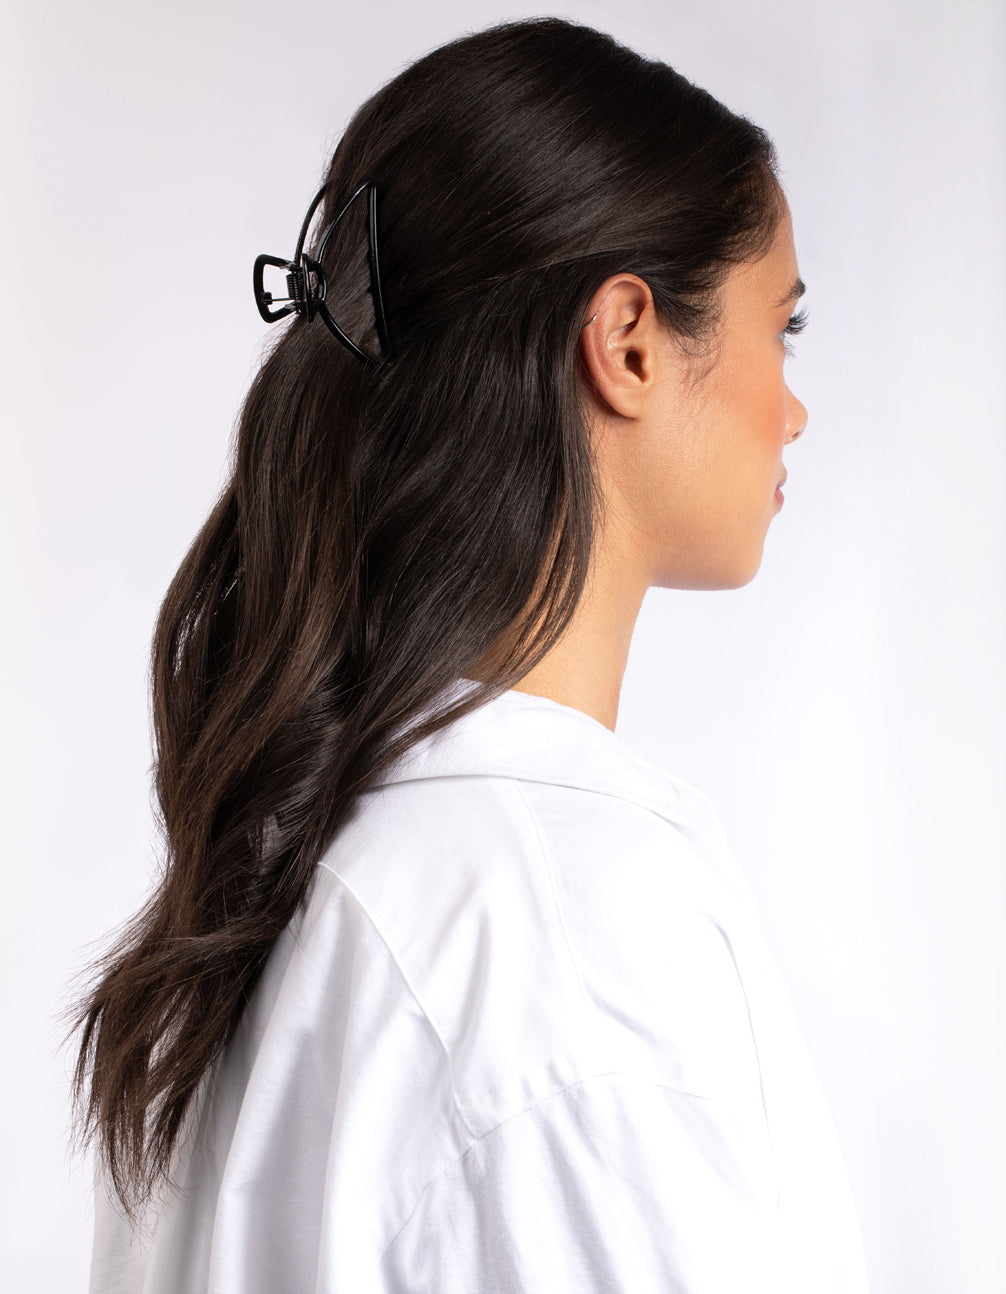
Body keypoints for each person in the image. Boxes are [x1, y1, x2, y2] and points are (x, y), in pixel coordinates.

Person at [67, 15, 870, 1292]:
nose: (795, 407)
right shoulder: (560, 938)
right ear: (628, 342)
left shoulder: (269, 894)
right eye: (785, 326)